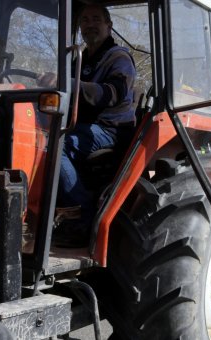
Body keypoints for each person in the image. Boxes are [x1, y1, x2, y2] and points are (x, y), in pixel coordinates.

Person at [54, 4, 137, 247]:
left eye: (96, 19)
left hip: (111, 129)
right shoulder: (79, 59)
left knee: (55, 147)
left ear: (108, 26)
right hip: (82, 126)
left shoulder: (119, 58)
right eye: (85, 20)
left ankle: (83, 215)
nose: (90, 24)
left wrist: (68, 84)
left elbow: (113, 93)